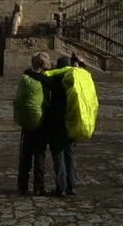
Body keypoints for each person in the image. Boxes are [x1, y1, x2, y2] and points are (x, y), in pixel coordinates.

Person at [16, 53, 51, 196]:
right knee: (40, 156)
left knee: (25, 155)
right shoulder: (46, 80)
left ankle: (22, 185)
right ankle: (39, 186)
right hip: (41, 123)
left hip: (27, 123)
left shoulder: (25, 78)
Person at [45, 56, 78, 197]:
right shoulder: (74, 79)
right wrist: (79, 63)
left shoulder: (55, 79)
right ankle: (72, 185)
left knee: (58, 154)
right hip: (70, 118)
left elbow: (41, 78)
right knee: (70, 154)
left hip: (57, 119)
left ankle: (61, 187)